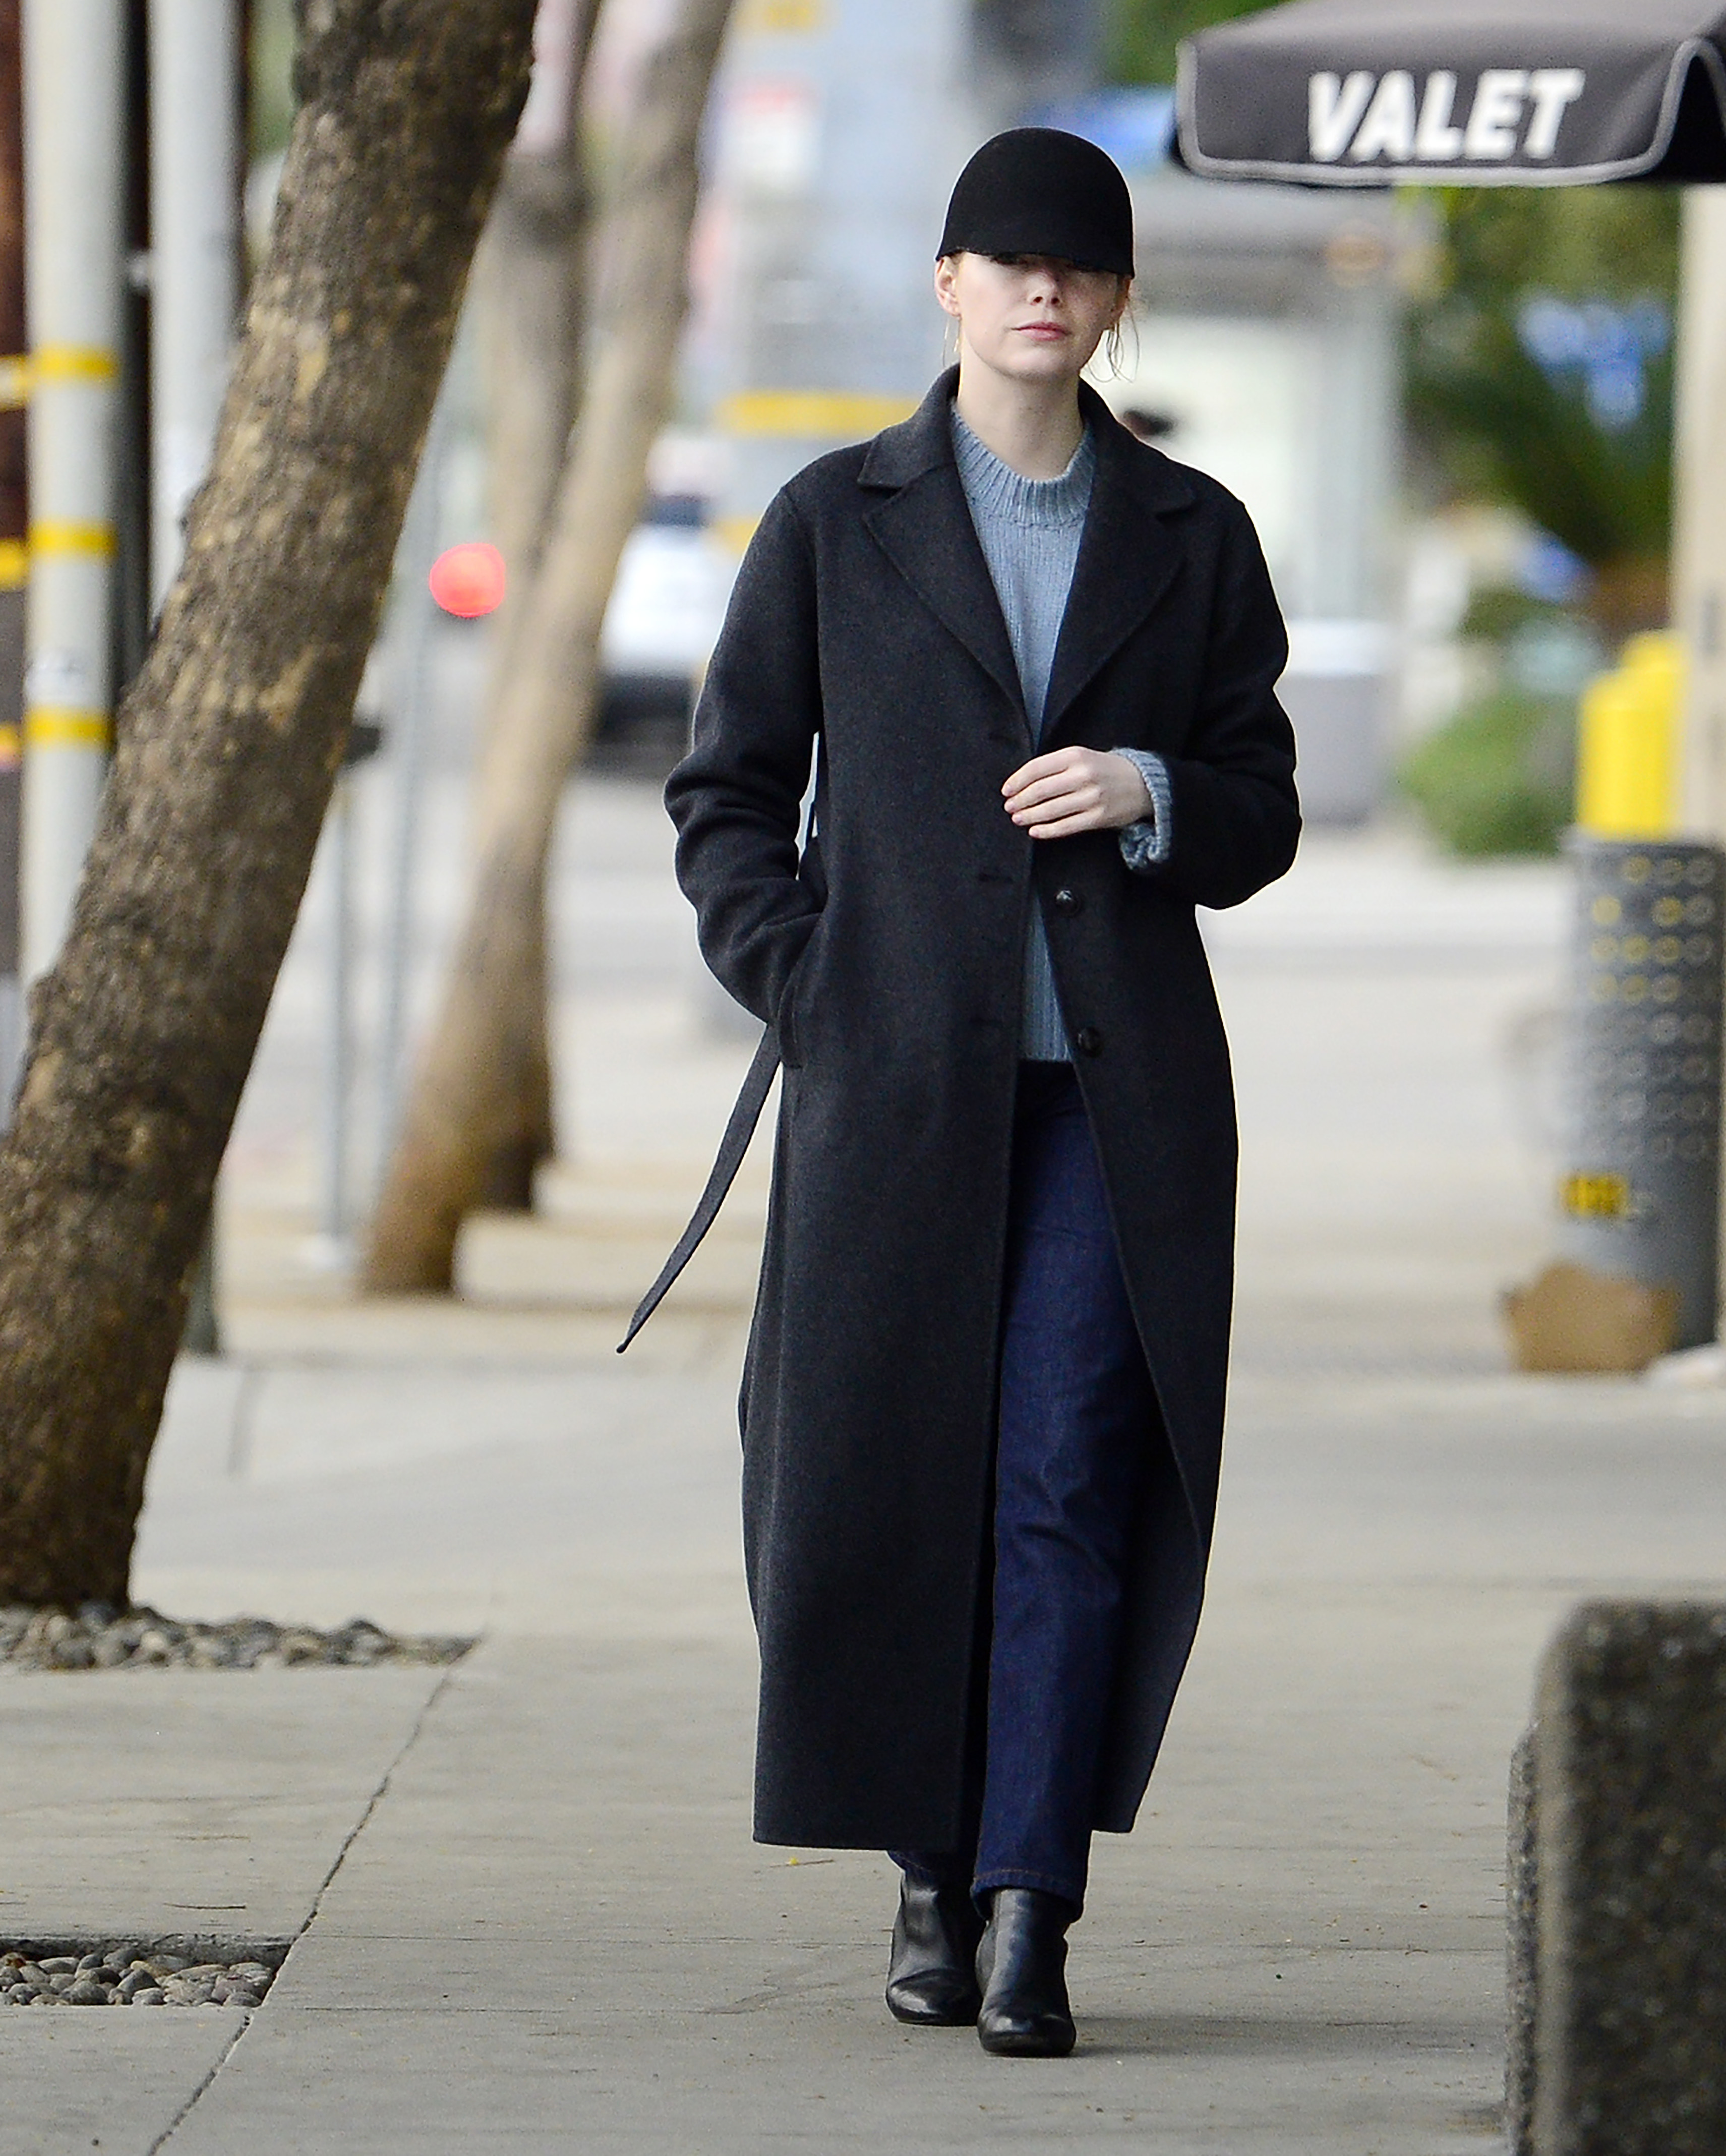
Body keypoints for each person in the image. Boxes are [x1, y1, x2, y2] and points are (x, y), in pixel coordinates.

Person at [659, 127, 1299, 2058]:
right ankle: (928, 1871)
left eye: (1077, 264)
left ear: (1115, 303)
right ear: (948, 283)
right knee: (888, 1481)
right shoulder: (833, 519)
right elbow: (726, 797)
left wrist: (1149, 790)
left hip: (1117, 1107)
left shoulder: (1192, 533)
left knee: (1066, 1478)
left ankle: (1032, 1900)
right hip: (895, 1099)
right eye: (1007, 258)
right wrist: (816, 986)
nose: (1042, 287)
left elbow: (1260, 807)